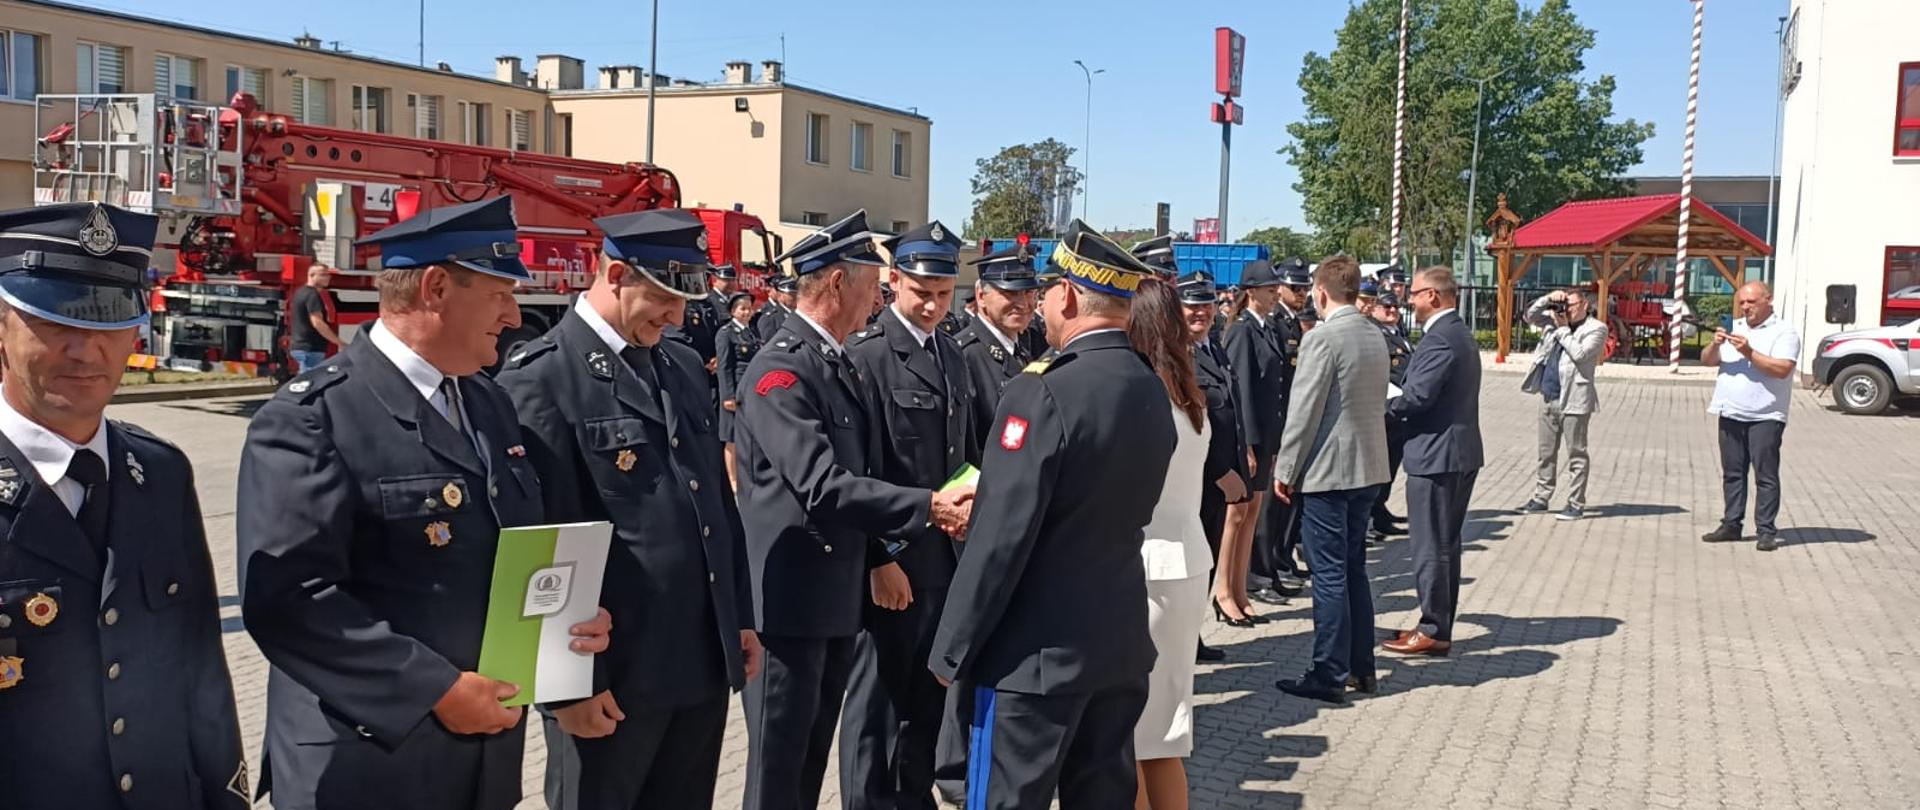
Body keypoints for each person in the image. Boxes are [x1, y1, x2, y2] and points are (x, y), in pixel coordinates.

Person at [236, 196, 612, 810]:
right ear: (436, 288)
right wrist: (435, 689)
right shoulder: (314, 419)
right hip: (366, 764)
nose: (514, 314)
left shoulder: (487, 404)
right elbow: (291, 600)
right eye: (498, 294)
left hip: (479, 760)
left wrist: (559, 631)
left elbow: (503, 554)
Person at [497, 209, 758, 810]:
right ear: (616, 274)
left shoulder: (682, 366)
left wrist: (737, 617)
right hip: (610, 678)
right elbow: (537, 542)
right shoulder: (542, 377)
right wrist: (564, 690)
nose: (677, 318)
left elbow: (716, 504)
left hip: (696, 662)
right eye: (665, 300)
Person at [0, 202, 249, 809]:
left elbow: (201, 672)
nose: (87, 352)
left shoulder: (160, 473)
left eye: (109, 322)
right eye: (57, 322)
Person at [733, 209, 975, 810]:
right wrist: (928, 509)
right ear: (838, 284)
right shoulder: (782, 369)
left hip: (832, 600)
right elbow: (821, 483)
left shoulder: (831, 361)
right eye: (872, 288)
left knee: (808, 766)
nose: (876, 301)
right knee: (777, 773)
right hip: (789, 605)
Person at [930, 220, 1174, 809]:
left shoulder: (1042, 391)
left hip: (1033, 660)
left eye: (1045, 293)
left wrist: (952, 649)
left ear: (1065, 295)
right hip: (1116, 645)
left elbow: (1000, 537)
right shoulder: (1148, 384)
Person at [841, 220, 980, 810]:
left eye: (944, 294)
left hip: (945, 558)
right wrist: (880, 559)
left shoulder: (952, 354)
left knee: (926, 701)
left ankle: (913, 798)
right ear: (893, 281)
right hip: (895, 559)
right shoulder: (867, 356)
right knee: (878, 708)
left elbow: (964, 452)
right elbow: (860, 470)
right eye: (921, 291)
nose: (932, 305)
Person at [1270, 256, 1390, 705]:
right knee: (1354, 570)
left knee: (1329, 575)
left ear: (1320, 292)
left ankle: (1328, 672)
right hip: (1368, 468)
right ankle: (1363, 666)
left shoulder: (1323, 338)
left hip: (1328, 472)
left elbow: (1304, 412)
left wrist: (1286, 470)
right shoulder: (1373, 334)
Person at [1127, 277, 1216, 810]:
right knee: (1164, 736)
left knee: (1129, 737)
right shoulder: (1186, 392)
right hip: (1184, 564)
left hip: (1149, 567)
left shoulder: (1145, 398)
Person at [1382, 266, 1484, 658]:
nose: (1410, 300)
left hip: (1438, 455)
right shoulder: (1454, 332)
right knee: (1444, 543)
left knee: (1432, 545)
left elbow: (1417, 397)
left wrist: (1380, 405)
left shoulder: (1441, 339)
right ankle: (1436, 621)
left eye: (1416, 293)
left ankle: (1433, 628)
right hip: (1452, 452)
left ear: (1435, 297)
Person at [1179, 270, 1247, 665]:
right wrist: (1222, 470)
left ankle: (1192, 633)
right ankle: (1184, 637)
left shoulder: (1213, 347)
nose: (1200, 313)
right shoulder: (1177, 356)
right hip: (1199, 477)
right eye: (1192, 305)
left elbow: (1230, 414)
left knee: (1204, 559)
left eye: (1205, 304)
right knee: (1193, 562)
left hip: (1220, 477)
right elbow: (1193, 422)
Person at [1700, 281, 1800, 552]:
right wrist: (1715, 345)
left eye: (1751, 302)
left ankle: (1766, 530)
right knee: (1733, 473)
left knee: (1765, 475)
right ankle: (1731, 524)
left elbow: (1782, 369)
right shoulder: (1736, 328)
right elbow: (1708, 361)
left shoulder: (1784, 332)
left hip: (1766, 414)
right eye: (1742, 303)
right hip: (1730, 410)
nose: (1745, 308)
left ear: (1769, 300)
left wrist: (1749, 352)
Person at [1217, 260, 1287, 626]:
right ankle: (1224, 592)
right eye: (1269, 288)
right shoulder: (1242, 331)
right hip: (1249, 437)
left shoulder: (1268, 328)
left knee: (1252, 512)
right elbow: (1239, 390)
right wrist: (1244, 444)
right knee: (1236, 514)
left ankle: (1241, 588)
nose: (1275, 293)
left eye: (1276, 288)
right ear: (1251, 292)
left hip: (1265, 437)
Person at [1519, 288, 1608, 520]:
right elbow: (1529, 315)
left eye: (1571, 305)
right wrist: (1549, 299)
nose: (1566, 309)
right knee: (1545, 453)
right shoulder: (1553, 321)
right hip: (1549, 395)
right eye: (1564, 304)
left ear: (1585, 305)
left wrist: (1563, 330)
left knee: (1577, 453)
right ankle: (1541, 497)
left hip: (1575, 400)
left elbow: (1580, 354)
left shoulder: (1596, 329)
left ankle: (1575, 503)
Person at [1252, 259, 1313, 593]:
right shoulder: (1269, 324)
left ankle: (1279, 559)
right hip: (1273, 427)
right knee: (1267, 508)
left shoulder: (1287, 324)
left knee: (1282, 505)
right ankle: (1264, 567)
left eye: (1303, 287)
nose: (1298, 293)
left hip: (1287, 423)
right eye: (1294, 287)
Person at [956, 246, 1042, 439]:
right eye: (1010, 293)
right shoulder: (964, 356)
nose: (1022, 304)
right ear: (980, 296)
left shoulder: (1020, 351)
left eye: (1028, 292)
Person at [1361, 282, 1411, 543]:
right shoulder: (1376, 332)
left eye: (1396, 306)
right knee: (1380, 468)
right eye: (1386, 306)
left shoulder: (1397, 331)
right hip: (1385, 409)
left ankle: (1380, 511)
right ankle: (1372, 517)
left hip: (1399, 411)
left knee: (1390, 467)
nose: (1393, 310)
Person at [715, 291, 761, 483]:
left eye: (749, 309)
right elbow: (724, 366)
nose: (747, 312)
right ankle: (733, 480)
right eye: (742, 309)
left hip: (750, 391)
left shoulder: (750, 332)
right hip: (735, 390)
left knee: (748, 434)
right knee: (732, 438)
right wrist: (728, 396)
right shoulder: (726, 333)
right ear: (733, 311)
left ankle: (747, 474)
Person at [289, 262, 343, 372]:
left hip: (300, 346)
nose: (327, 277)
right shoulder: (312, 295)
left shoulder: (300, 292)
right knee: (310, 383)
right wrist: (338, 342)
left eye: (328, 274)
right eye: (323, 275)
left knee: (306, 382)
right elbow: (317, 323)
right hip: (310, 348)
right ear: (312, 275)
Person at [752, 275, 797, 343]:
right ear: (780, 295)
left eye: (797, 294)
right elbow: (767, 346)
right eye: (791, 294)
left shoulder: (797, 315)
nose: (795, 297)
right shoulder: (770, 318)